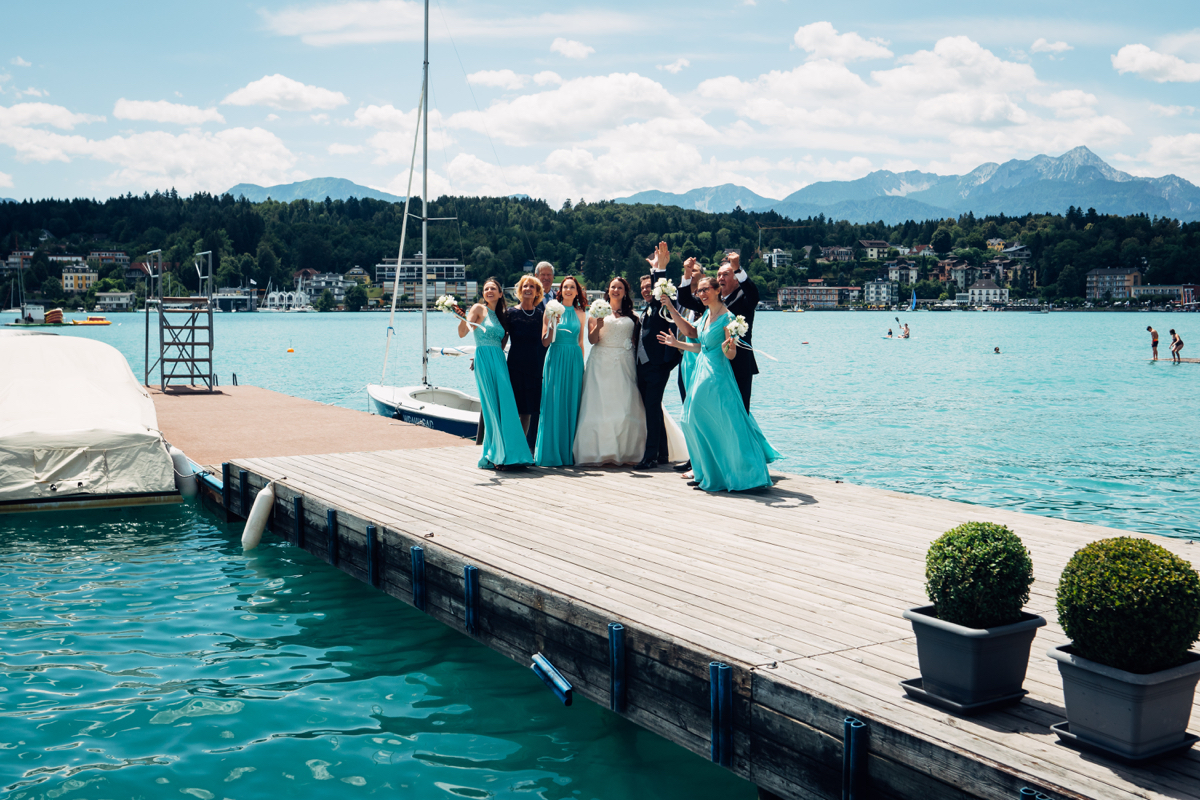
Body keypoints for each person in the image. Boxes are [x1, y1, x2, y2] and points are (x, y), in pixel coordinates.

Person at [659, 275, 780, 492]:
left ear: (717, 290)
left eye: (706, 289)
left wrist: (730, 348)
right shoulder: (707, 314)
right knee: (692, 420)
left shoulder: (729, 318)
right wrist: (676, 342)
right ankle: (707, 473)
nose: (702, 294)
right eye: (699, 291)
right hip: (701, 370)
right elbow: (699, 344)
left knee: (697, 418)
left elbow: (730, 354)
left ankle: (734, 474)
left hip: (716, 375)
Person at [458, 277, 533, 470]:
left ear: (500, 294)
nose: (489, 291)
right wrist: (463, 319)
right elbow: (463, 333)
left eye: (493, 288)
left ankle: (512, 453)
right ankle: (496, 455)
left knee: (506, 407)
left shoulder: (502, 316)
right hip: (484, 360)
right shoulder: (478, 309)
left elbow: (502, 342)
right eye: (486, 289)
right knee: (491, 407)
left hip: (500, 361)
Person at [573, 276, 647, 466]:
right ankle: (596, 452)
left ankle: (626, 451)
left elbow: (636, 341)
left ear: (625, 291)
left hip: (625, 361)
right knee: (599, 405)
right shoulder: (596, 311)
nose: (616, 290)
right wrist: (598, 324)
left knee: (625, 405)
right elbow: (592, 340)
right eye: (613, 287)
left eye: (620, 287)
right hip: (600, 362)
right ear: (608, 290)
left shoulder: (633, 316)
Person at [678, 252, 759, 411]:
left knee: (739, 412)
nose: (721, 278)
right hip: (714, 368)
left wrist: (738, 268)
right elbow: (685, 300)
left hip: (738, 365)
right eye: (718, 275)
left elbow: (753, 295)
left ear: (736, 279)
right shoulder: (710, 300)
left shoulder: (744, 297)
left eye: (726, 274)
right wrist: (687, 274)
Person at [635, 242, 683, 469]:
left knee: (652, 409)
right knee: (653, 409)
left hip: (657, 366)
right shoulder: (645, 310)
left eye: (649, 287)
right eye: (643, 287)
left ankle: (650, 456)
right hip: (642, 366)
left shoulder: (660, 304)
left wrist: (659, 269)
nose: (646, 290)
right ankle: (662, 453)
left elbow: (660, 293)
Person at [534, 275, 586, 466]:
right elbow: (545, 341)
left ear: (577, 291)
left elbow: (581, 342)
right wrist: (552, 324)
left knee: (572, 402)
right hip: (555, 357)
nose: (568, 290)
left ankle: (568, 452)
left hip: (574, 360)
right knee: (553, 402)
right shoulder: (550, 310)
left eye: (572, 287)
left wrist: (582, 366)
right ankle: (550, 452)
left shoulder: (581, 313)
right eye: (565, 287)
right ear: (560, 291)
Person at [507, 275, 547, 450]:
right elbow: (501, 339)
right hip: (514, 365)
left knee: (527, 411)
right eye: (525, 286)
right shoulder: (510, 313)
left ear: (537, 292)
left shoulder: (541, 315)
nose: (528, 289)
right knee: (512, 408)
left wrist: (553, 325)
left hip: (534, 367)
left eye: (532, 286)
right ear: (520, 290)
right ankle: (508, 447)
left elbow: (545, 342)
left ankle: (520, 449)